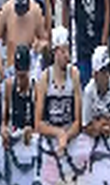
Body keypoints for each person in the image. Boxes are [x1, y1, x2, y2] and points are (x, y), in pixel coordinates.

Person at [35, 25, 81, 153]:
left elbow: (78, 122)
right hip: (50, 141)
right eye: (63, 51)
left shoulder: (74, 74)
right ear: (55, 52)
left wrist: (66, 136)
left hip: (70, 139)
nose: (67, 56)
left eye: (68, 51)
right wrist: (58, 133)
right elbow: (38, 123)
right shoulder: (45, 77)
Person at [81, 45, 110, 136]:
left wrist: (103, 123)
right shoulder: (88, 91)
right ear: (95, 74)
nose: (107, 74)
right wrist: (99, 128)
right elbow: (85, 126)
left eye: (108, 69)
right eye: (103, 71)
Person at [2, 43, 36, 146]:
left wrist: (32, 130)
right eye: (18, 75)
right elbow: (4, 120)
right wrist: (4, 130)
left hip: (31, 139)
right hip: (14, 134)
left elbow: (40, 121)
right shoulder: (9, 86)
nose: (20, 80)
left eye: (23, 75)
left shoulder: (35, 87)